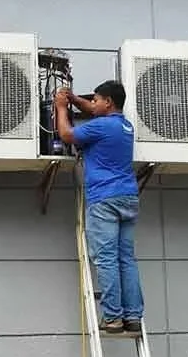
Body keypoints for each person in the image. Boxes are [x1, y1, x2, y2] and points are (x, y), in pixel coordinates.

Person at [54, 80, 143, 334]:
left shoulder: (99, 127)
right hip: (128, 197)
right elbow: (95, 110)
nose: (91, 104)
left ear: (108, 102)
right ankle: (133, 316)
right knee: (126, 258)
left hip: (104, 199)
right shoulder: (125, 126)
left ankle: (113, 317)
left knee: (106, 259)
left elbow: (67, 135)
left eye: (96, 99)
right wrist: (73, 98)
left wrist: (62, 108)